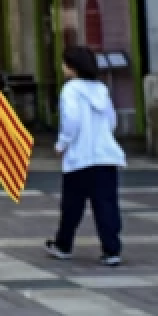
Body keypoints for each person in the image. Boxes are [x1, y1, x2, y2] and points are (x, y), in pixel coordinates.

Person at [46, 45, 126, 266]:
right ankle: (112, 250)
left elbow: (71, 120)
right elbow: (111, 120)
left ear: (72, 67)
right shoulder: (101, 89)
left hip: (79, 158)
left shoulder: (70, 90)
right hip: (105, 156)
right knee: (106, 205)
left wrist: (62, 144)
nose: (62, 67)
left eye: (64, 63)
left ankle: (64, 245)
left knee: (72, 206)